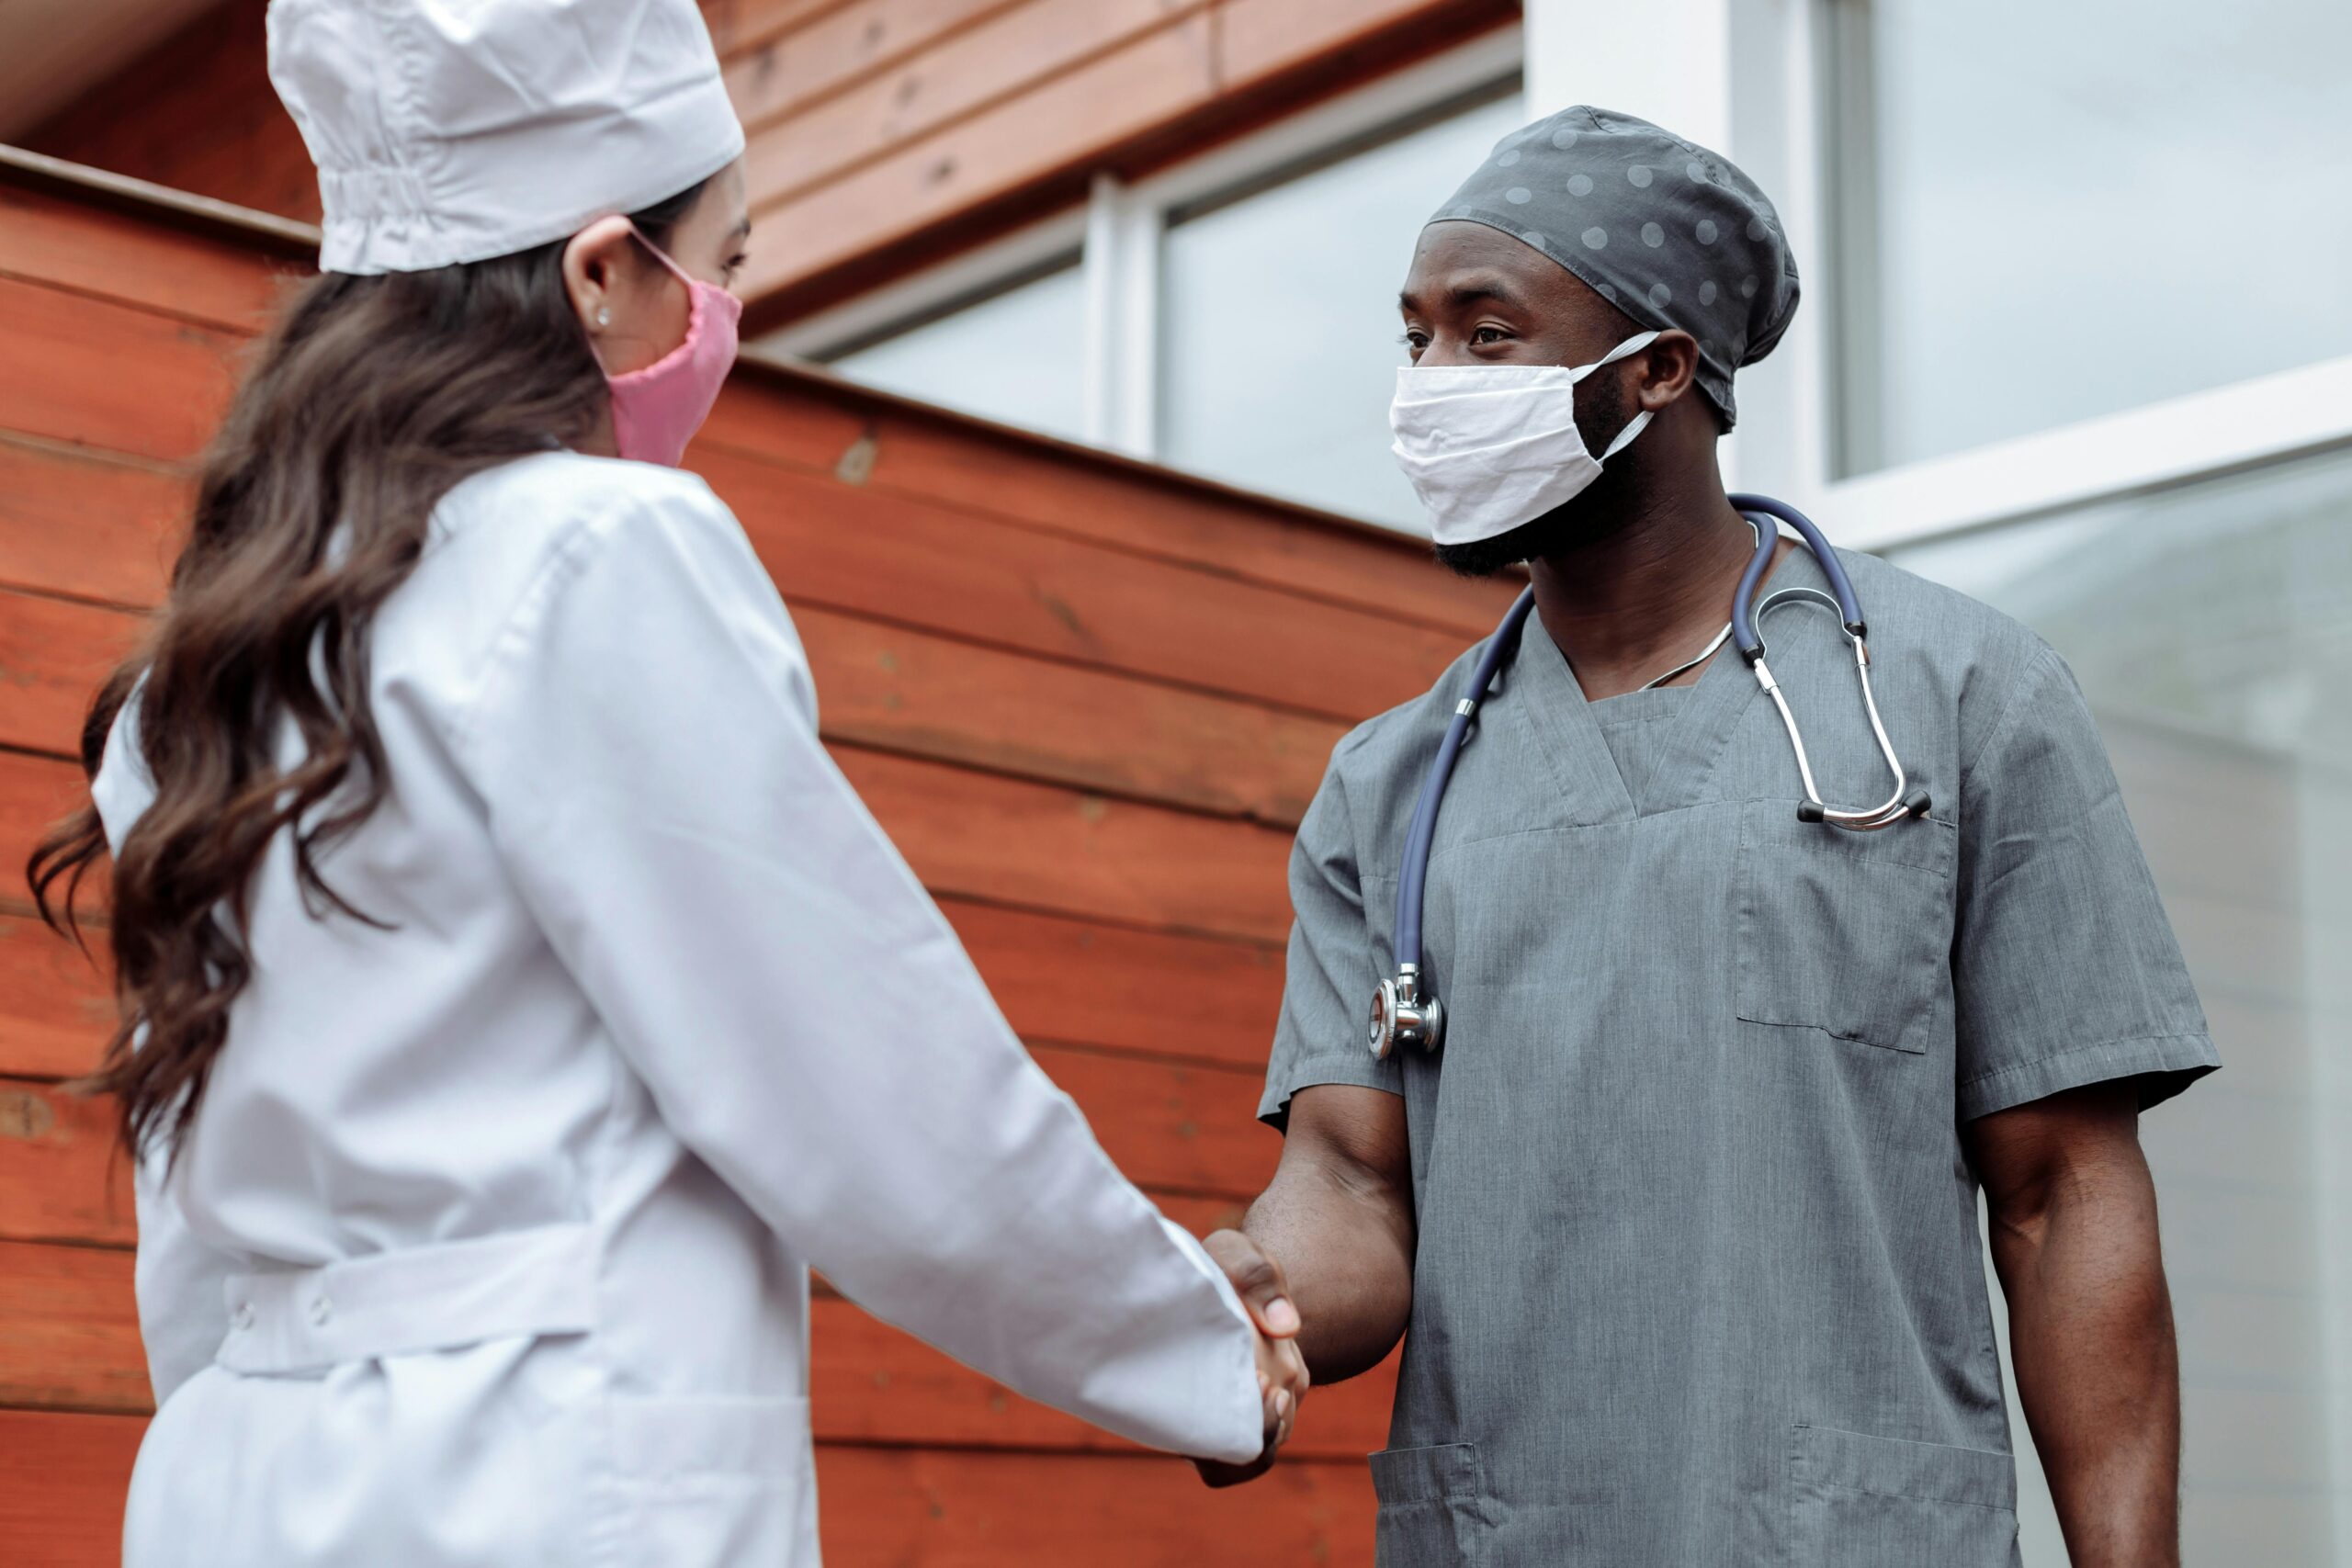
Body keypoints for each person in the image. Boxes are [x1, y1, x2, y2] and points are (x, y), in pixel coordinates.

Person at [26, 2, 1305, 1563]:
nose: (729, 311)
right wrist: (1197, 1351)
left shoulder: (201, 671)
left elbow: (185, 1222)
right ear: (601, 273)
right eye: (727, 260)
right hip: (541, 1479)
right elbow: (868, 1086)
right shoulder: (588, 550)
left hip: (237, 1488)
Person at [1196, 106, 2217, 1567]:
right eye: (1416, 340)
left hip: (1847, 1535)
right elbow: (1354, 1185)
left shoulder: (1956, 697)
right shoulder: (1392, 784)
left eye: (1489, 334)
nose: (1430, 387)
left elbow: (2063, 1197)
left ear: (1660, 367)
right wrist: (1251, 1304)